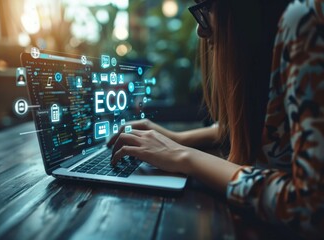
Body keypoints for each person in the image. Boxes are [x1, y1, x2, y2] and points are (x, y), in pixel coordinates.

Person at [108, 0, 324, 237]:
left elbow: (310, 207)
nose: (201, 30)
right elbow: (277, 125)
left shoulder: (306, 19)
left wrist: (184, 156)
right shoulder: (280, 31)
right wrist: (179, 139)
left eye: (206, 9)